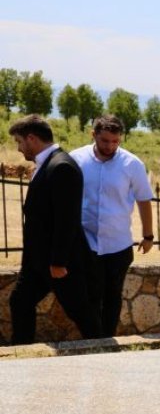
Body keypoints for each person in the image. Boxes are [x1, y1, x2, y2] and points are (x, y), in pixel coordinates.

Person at [7, 115, 100, 343]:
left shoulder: (62, 167)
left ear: (31, 138)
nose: (19, 149)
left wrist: (58, 261)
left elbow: (66, 219)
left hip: (58, 263)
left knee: (79, 310)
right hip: (38, 262)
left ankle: (104, 349)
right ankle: (23, 351)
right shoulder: (45, 165)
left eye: (19, 142)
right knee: (20, 301)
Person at [71, 115, 155, 337]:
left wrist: (148, 236)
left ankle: (106, 340)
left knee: (112, 296)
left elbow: (144, 200)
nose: (110, 146)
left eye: (115, 141)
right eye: (105, 140)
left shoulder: (132, 164)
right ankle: (92, 339)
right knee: (88, 296)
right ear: (94, 135)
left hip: (118, 244)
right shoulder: (76, 159)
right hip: (85, 242)